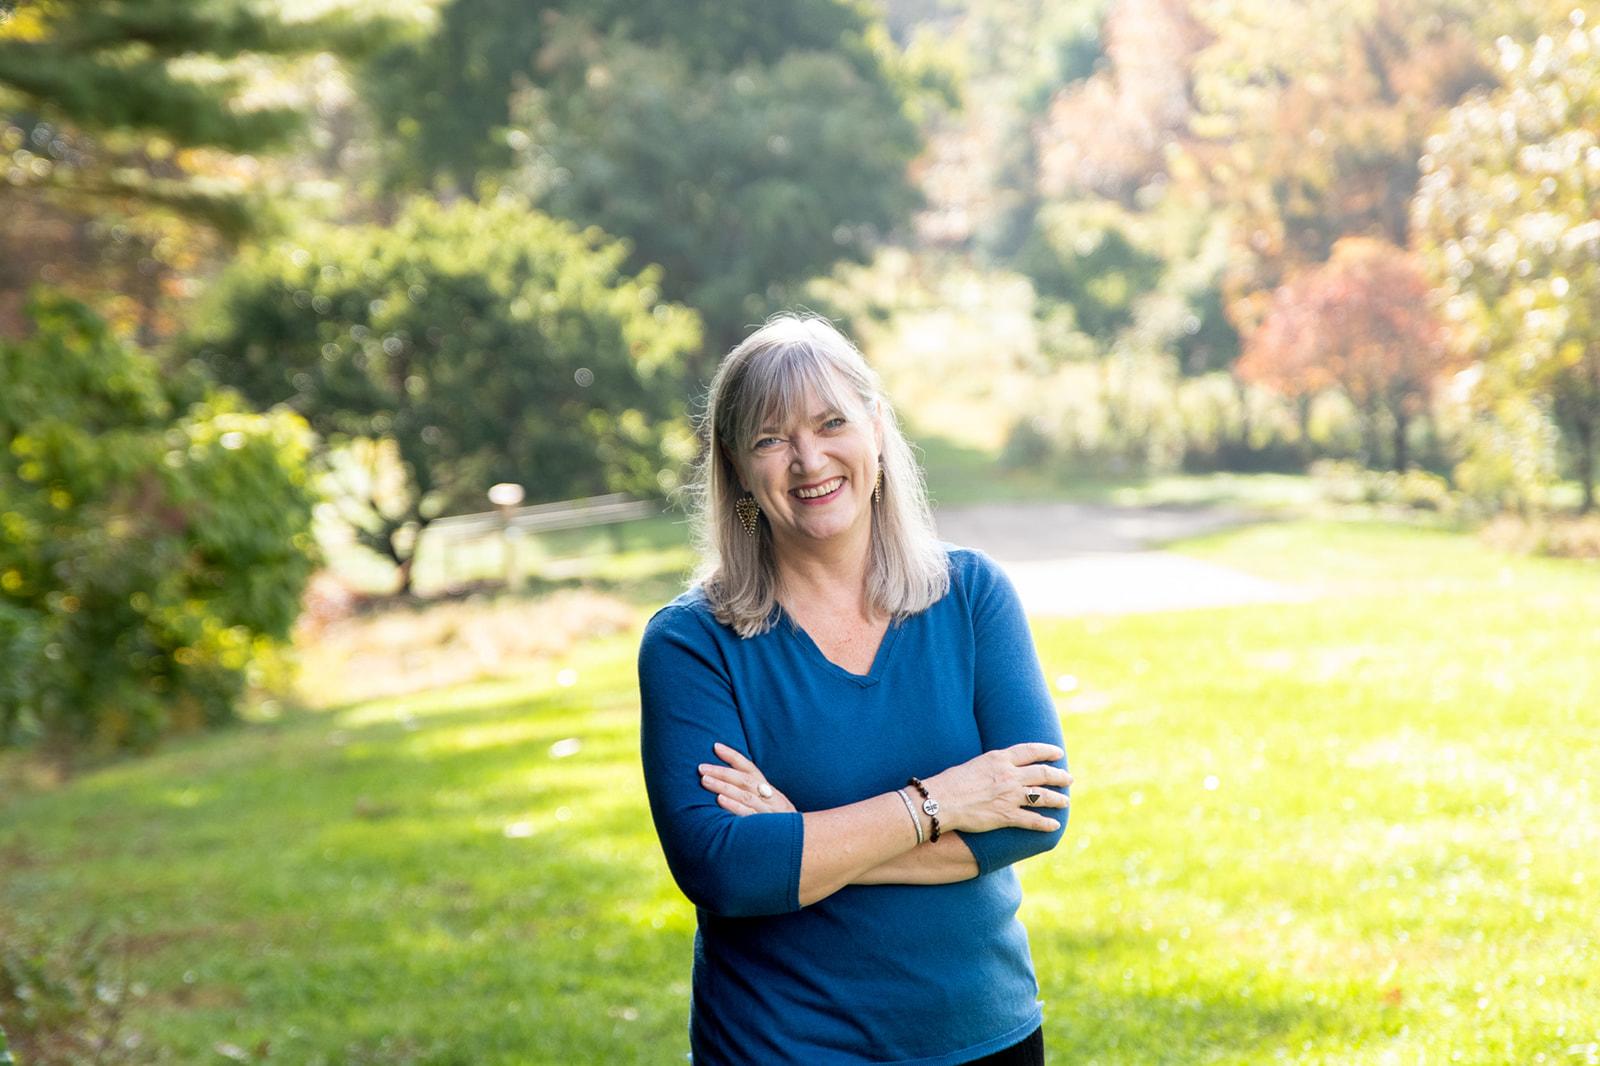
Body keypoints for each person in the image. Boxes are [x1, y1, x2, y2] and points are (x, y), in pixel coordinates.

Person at [638, 313, 1073, 1065]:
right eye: (770, 439)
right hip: (782, 1046)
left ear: (875, 426)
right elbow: (727, 870)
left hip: (983, 1034)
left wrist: (800, 839)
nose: (809, 460)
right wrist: (940, 803)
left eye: (831, 422)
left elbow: (1036, 814)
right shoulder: (691, 643)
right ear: (736, 466)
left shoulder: (972, 594)